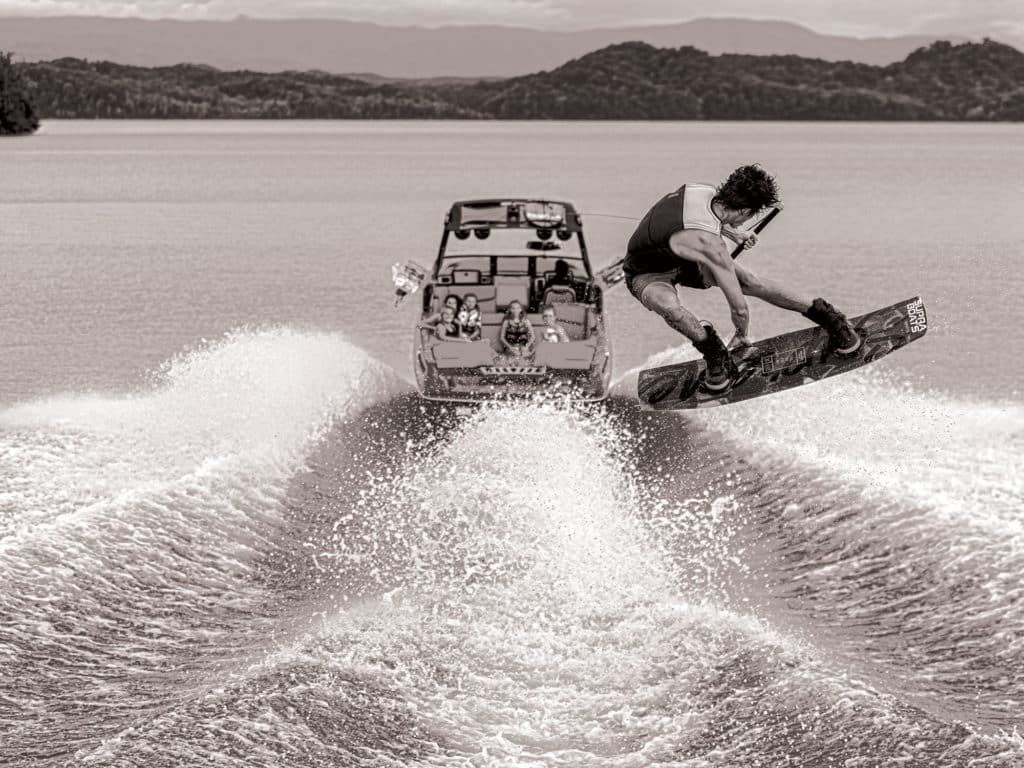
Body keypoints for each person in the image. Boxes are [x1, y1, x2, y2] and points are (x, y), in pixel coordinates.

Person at [623, 164, 861, 391]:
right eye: (749, 217)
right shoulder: (709, 242)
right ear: (747, 212)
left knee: (749, 281)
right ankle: (716, 355)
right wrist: (741, 335)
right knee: (670, 308)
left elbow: (706, 220)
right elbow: (739, 309)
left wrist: (734, 233)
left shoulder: (703, 192)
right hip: (647, 273)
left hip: (688, 260)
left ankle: (831, 318)